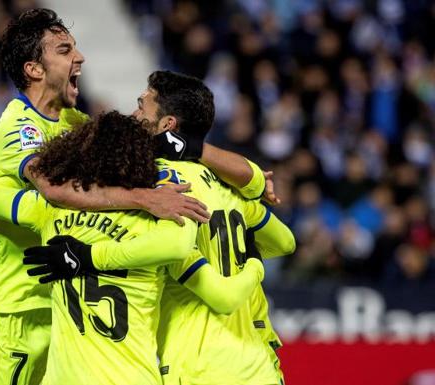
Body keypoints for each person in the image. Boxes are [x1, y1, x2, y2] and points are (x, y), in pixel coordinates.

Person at [0, 9, 211, 385]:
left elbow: (151, 141)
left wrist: (247, 173)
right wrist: (146, 198)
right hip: (8, 310)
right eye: (64, 50)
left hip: (58, 310)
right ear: (34, 69)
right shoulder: (17, 128)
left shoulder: (74, 124)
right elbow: (54, 189)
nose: (80, 57)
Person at [25, 71, 295, 385]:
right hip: (256, 363)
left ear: (167, 125)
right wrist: (252, 260)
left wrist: (88, 256)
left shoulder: (158, 192)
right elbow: (285, 242)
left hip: (193, 365)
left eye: (142, 106)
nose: (134, 113)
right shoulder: (229, 185)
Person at [0, 110, 267, 385]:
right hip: (133, 376)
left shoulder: (49, 211)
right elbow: (222, 293)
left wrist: (53, 177)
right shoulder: (161, 223)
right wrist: (254, 262)